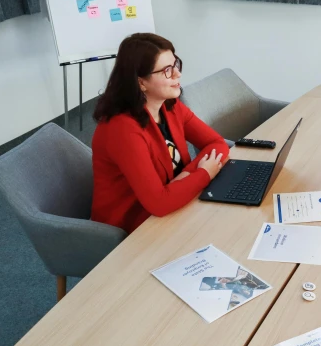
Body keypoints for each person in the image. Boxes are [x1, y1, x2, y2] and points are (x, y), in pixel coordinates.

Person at [91, 33, 228, 233]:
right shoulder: (122, 130)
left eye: (176, 65)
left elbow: (217, 143)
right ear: (141, 83)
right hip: (133, 228)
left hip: (175, 207)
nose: (177, 75)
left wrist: (185, 177)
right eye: (167, 71)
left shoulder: (170, 107)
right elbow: (159, 204)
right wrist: (204, 173)